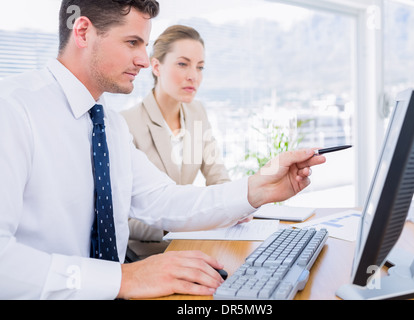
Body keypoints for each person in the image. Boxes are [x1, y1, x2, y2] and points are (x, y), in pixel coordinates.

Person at [0, 0, 326, 300]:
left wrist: (258, 188)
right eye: (132, 42)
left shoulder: (108, 125)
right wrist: (123, 278)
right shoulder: (13, 110)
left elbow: (164, 201)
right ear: (83, 31)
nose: (144, 60)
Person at [121, 25, 230, 256]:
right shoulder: (126, 124)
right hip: (149, 254)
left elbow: (218, 177)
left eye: (200, 67)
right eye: (183, 64)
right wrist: (185, 223)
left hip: (194, 245)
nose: (193, 76)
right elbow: (122, 219)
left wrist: (234, 206)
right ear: (156, 66)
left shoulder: (197, 112)